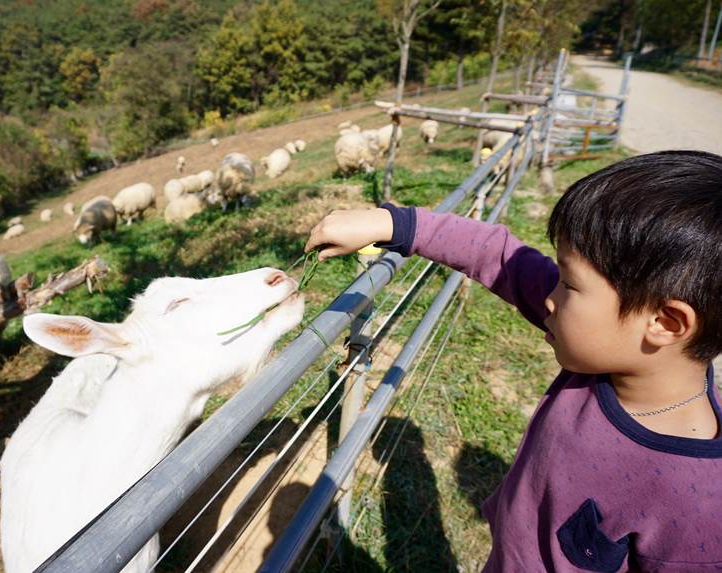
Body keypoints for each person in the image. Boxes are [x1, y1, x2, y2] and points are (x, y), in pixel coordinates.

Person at [305, 150, 722, 571]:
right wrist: (392, 223)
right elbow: (501, 256)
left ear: (665, 322)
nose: (548, 297)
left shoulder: (698, 506)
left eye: (568, 285)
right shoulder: (615, 358)